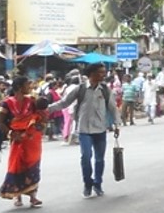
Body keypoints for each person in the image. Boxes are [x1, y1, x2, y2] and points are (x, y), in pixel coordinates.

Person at [49, 62, 119, 198]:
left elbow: (113, 107)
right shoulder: (80, 89)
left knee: (100, 159)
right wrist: (47, 108)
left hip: (100, 129)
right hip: (84, 129)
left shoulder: (105, 90)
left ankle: (98, 184)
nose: (103, 75)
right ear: (92, 74)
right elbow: (64, 103)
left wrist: (116, 124)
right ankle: (88, 183)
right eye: (100, 72)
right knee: (86, 157)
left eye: (104, 72)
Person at [0, 77, 47, 208]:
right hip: (17, 138)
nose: (29, 87)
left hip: (32, 139)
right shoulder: (6, 103)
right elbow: (0, 122)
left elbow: (41, 116)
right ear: (19, 87)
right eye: (27, 85)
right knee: (17, 165)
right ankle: (17, 195)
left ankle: (33, 197)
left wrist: (39, 127)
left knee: (33, 165)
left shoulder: (32, 101)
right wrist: (11, 133)